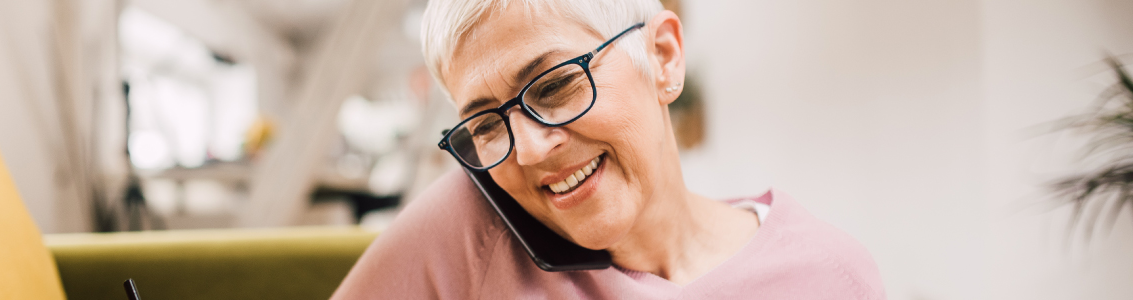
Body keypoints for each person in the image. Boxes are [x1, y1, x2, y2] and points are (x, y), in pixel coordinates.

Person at [332, 0, 885, 298]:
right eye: (484, 125)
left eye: (554, 86)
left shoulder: (830, 277)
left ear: (664, 58)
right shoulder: (472, 224)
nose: (526, 151)